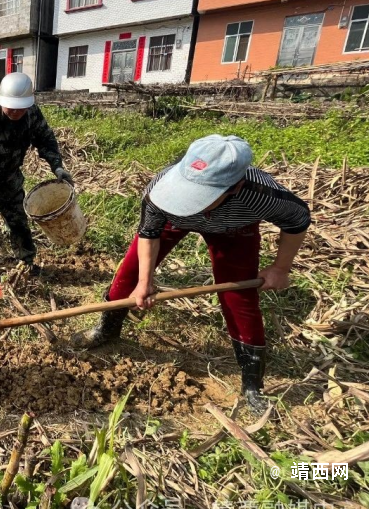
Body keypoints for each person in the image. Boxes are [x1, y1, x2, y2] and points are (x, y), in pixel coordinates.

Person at [71, 135, 311, 414]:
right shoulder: (162, 189)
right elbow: (149, 234)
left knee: (238, 297)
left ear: (234, 188)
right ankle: (107, 329)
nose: (192, 201)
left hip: (233, 230)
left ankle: (252, 384)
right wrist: (145, 282)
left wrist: (280, 269)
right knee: (130, 275)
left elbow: (298, 220)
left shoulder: (262, 195)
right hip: (173, 219)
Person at [0, 72, 72, 277]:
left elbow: (46, 141)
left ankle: (26, 264)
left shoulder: (31, 115)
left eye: (21, 108)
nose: (16, 112)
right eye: (11, 107)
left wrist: (57, 167)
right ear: (2, 100)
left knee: (19, 224)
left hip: (11, 180)